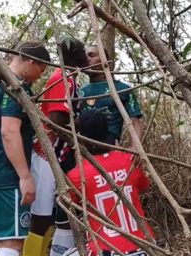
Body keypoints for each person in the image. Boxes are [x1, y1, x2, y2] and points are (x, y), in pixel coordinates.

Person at [0, 41, 51, 256]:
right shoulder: (16, 88)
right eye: (40, 71)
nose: (39, 77)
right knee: (11, 243)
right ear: (30, 63)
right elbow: (9, 131)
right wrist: (25, 176)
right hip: (5, 176)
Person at [22, 37, 88, 256]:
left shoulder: (69, 78)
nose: (87, 57)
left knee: (54, 216)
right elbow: (57, 119)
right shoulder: (63, 77)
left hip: (57, 153)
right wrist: (83, 122)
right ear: (74, 55)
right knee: (40, 219)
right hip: (47, 153)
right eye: (83, 52)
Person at [65, 109, 154, 256]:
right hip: (144, 248)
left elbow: (71, 203)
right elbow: (144, 186)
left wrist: (78, 162)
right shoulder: (130, 160)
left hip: (104, 251)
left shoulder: (77, 174)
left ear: (80, 139)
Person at [79, 45, 142, 149]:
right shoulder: (80, 91)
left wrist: (135, 148)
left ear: (105, 61)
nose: (86, 59)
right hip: (84, 150)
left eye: (91, 55)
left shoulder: (122, 89)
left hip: (111, 148)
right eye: (84, 56)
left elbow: (134, 122)